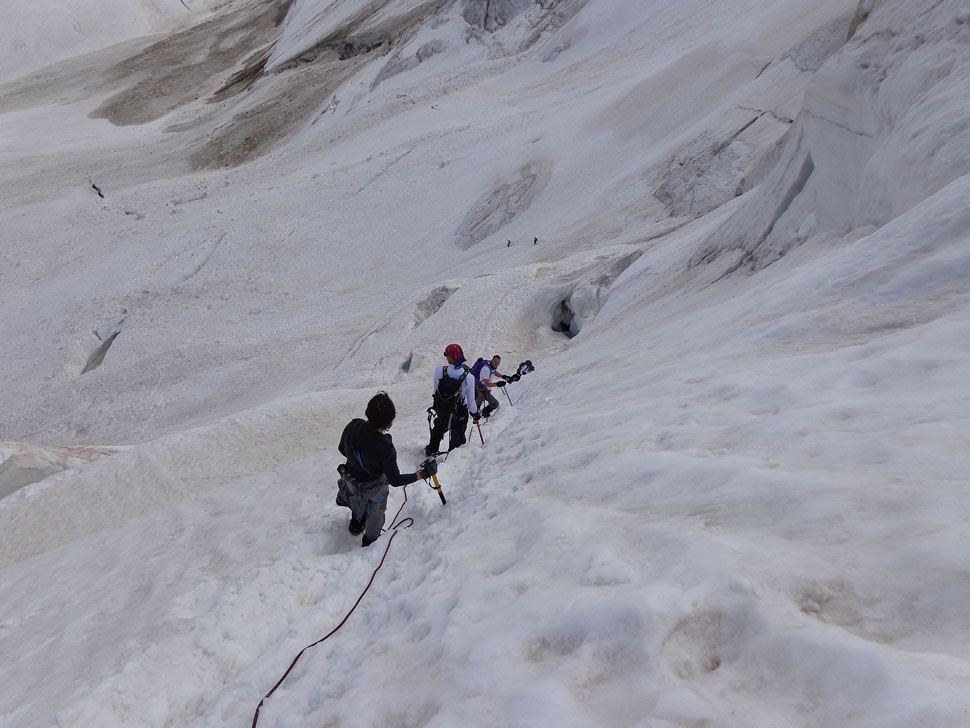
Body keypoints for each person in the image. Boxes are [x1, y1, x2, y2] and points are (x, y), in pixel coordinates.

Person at [337, 391, 436, 547]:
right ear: (389, 422)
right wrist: (423, 474)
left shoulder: (353, 426)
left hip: (351, 478)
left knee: (356, 499)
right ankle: (370, 541)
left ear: (367, 412)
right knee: (377, 509)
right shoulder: (385, 448)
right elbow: (395, 480)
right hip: (373, 487)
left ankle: (356, 525)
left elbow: (342, 449)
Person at [425, 343, 479, 456]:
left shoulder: (439, 371)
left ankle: (431, 450)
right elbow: (471, 402)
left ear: (450, 357)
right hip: (459, 412)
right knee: (458, 436)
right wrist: (475, 414)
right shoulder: (468, 377)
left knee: (438, 429)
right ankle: (452, 456)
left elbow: (435, 391)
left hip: (442, 409)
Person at [476, 354, 508, 419]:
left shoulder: (492, 366)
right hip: (481, 389)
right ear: (492, 360)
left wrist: (502, 376)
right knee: (477, 405)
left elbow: (494, 372)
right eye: (495, 362)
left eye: (498, 363)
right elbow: (486, 383)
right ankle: (475, 415)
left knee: (495, 404)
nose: (497, 364)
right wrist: (497, 384)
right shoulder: (486, 369)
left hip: (486, 390)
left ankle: (484, 412)